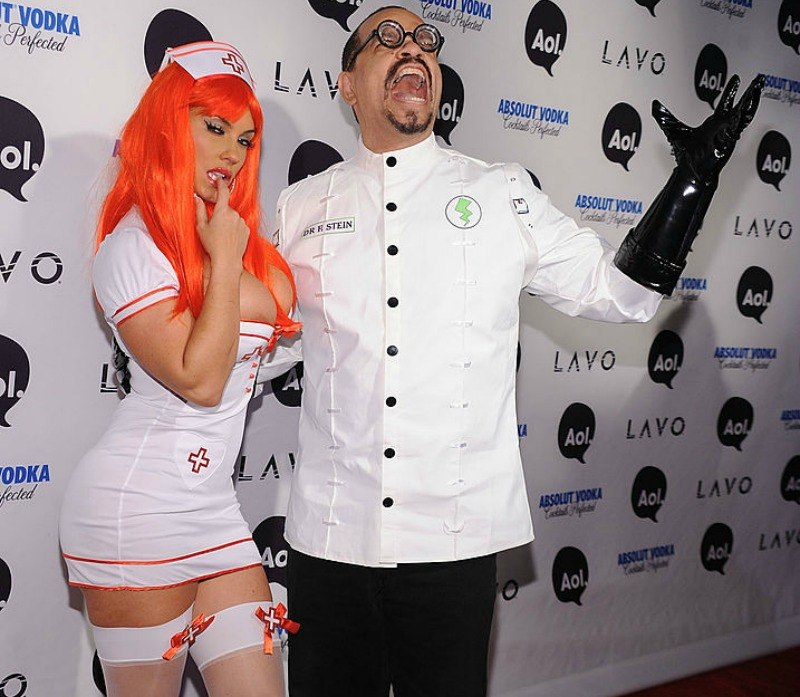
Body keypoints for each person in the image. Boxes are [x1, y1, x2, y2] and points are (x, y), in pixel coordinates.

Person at [269, 6, 763, 696]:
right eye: (387, 38)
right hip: (329, 542)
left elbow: (623, 294)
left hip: (453, 543)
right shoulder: (299, 208)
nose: (413, 49)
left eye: (426, 41)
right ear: (348, 83)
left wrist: (692, 182)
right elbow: (260, 351)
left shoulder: (500, 192)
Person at [59, 41, 300, 697]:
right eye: (214, 127)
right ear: (169, 126)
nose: (232, 152)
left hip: (214, 510)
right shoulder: (132, 246)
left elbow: (278, 311)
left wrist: (229, 255)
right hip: (137, 513)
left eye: (244, 139)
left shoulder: (229, 239)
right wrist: (225, 262)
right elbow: (201, 379)